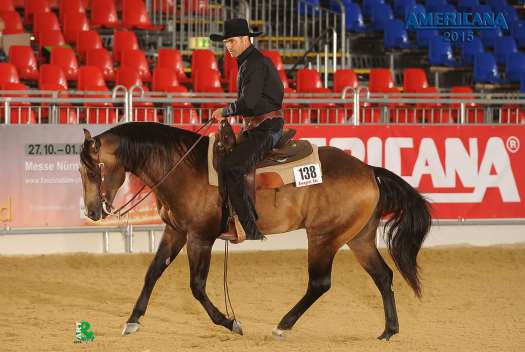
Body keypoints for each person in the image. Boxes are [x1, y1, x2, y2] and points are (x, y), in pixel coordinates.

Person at [210, 18, 285, 241]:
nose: (228, 46)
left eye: (232, 41)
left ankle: (248, 228)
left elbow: (249, 102)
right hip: (258, 127)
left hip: (267, 128)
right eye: (225, 43)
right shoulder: (248, 63)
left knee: (232, 166)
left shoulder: (254, 64)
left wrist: (226, 111)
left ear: (245, 39)